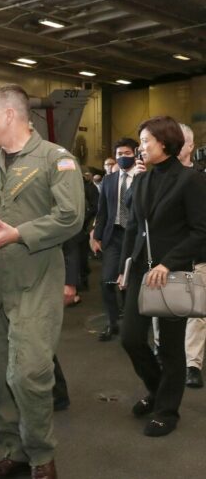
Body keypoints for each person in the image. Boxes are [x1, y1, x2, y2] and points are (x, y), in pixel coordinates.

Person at [0, 84, 84, 479]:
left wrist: (18, 233)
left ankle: (42, 456)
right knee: (0, 374)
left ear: (10, 115)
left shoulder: (56, 160)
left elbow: (70, 216)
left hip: (37, 282)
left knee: (28, 373)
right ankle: (15, 449)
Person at [118, 116, 206, 437]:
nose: (140, 148)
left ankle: (168, 410)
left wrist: (169, 263)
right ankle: (157, 390)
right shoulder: (142, 180)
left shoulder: (191, 180)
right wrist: (125, 267)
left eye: (145, 142)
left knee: (170, 348)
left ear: (164, 143)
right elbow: (133, 227)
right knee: (130, 338)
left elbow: (201, 231)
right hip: (141, 270)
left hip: (172, 273)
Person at [91, 138, 141, 341]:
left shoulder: (142, 176)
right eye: (119, 154)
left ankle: (132, 324)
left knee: (130, 282)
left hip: (135, 237)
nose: (123, 158)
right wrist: (96, 235)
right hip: (114, 235)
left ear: (136, 154)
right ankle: (112, 323)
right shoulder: (109, 180)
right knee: (106, 281)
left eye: (127, 153)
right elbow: (102, 211)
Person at [178, 123, 206, 388]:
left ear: (190, 147)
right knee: (163, 307)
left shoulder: (200, 177)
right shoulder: (154, 177)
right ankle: (164, 352)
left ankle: (192, 364)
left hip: (198, 255)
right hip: (166, 257)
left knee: (196, 311)